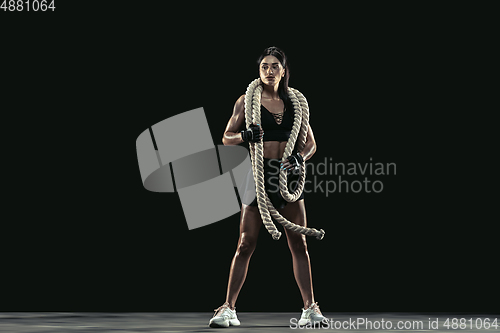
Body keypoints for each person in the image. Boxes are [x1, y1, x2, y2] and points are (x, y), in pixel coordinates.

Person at [209, 46, 325, 328]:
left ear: (283, 70)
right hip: (257, 176)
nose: (269, 71)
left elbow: (311, 144)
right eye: (264, 66)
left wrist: (299, 157)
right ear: (258, 70)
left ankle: (310, 308)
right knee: (245, 243)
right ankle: (228, 308)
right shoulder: (246, 102)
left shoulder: (295, 102)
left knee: (299, 242)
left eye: (275, 66)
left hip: (288, 178)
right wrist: (246, 135)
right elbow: (226, 137)